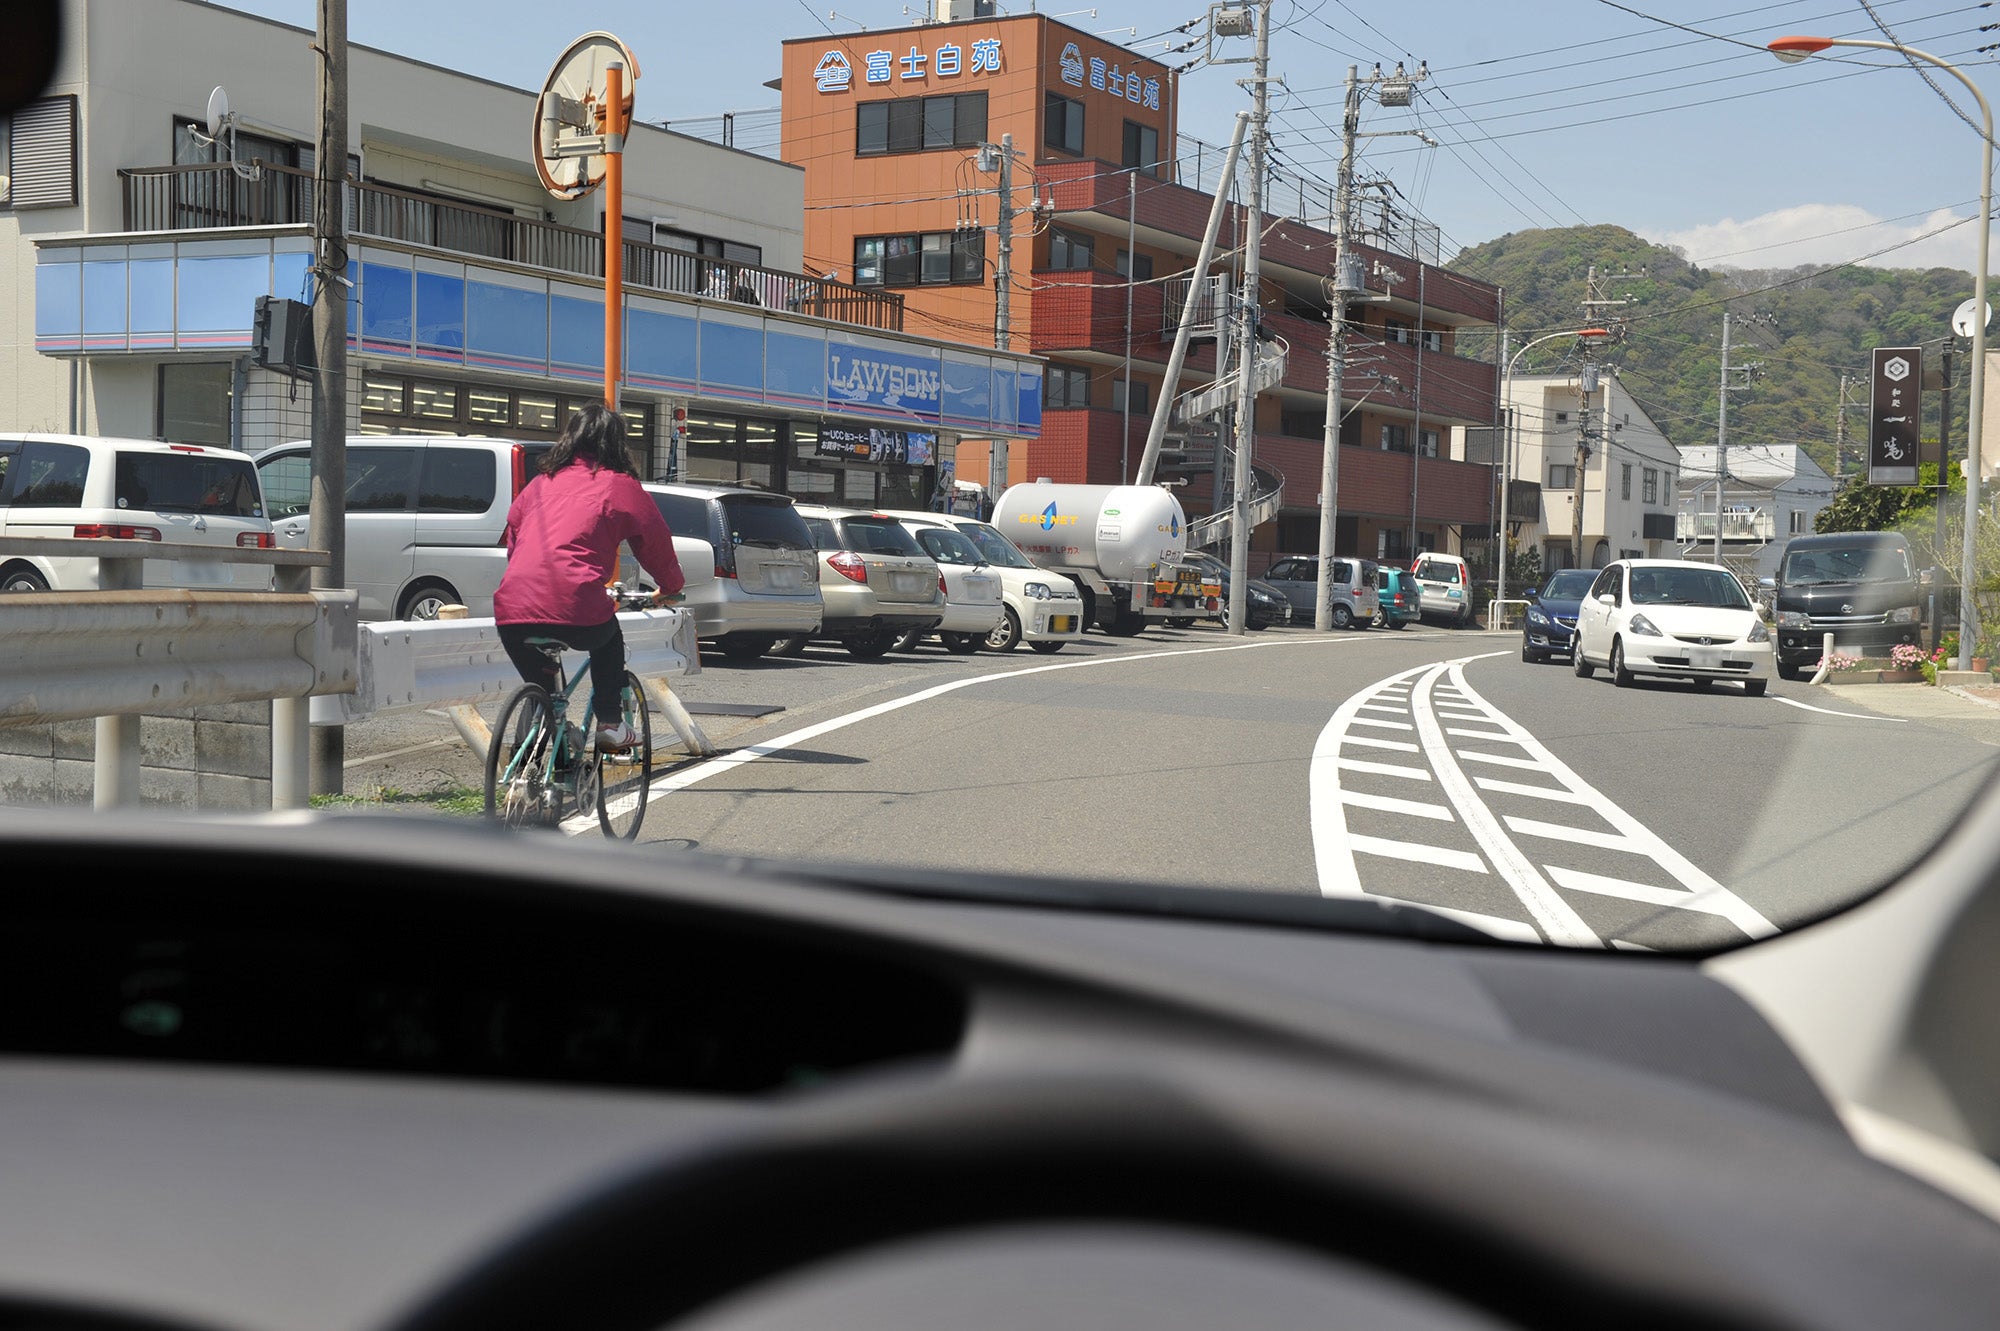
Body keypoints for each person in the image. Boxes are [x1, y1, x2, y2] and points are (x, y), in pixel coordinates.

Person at [494, 404, 684, 753]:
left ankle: (543, 768)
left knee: (546, 693)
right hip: (575, 603)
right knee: (608, 639)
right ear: (617, 444)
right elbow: (654, 541)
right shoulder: (618, 485)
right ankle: (610, 723)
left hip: (512, 608)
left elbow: (515, 540)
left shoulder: (539, 483)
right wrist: (671, 587)